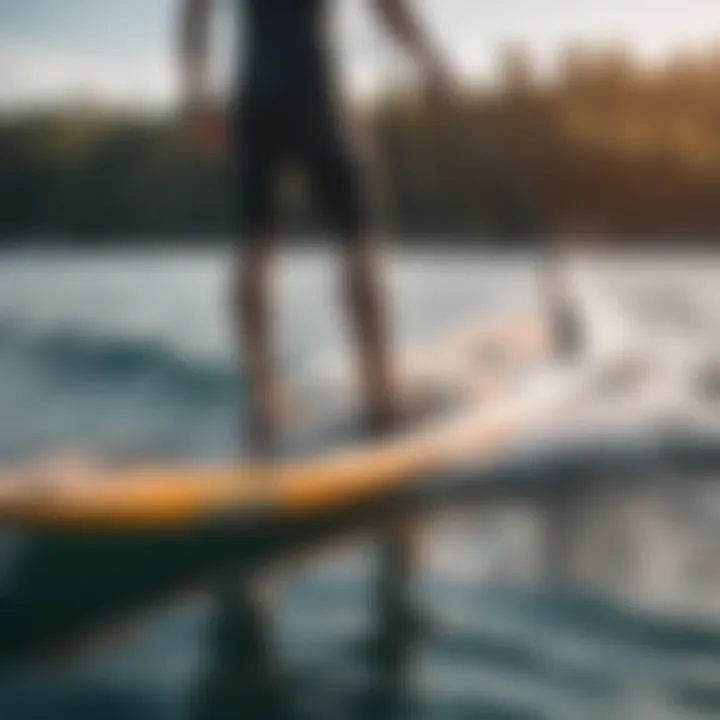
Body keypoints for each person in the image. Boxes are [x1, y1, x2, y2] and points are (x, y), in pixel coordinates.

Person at [179, 0, 454, 451]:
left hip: (256, 95)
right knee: (357, 236)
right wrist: (431, 64)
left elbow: (196, 10)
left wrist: (196, 92)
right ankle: (381, 396)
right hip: (316, 87)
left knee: (255, 239)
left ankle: (262, 399)